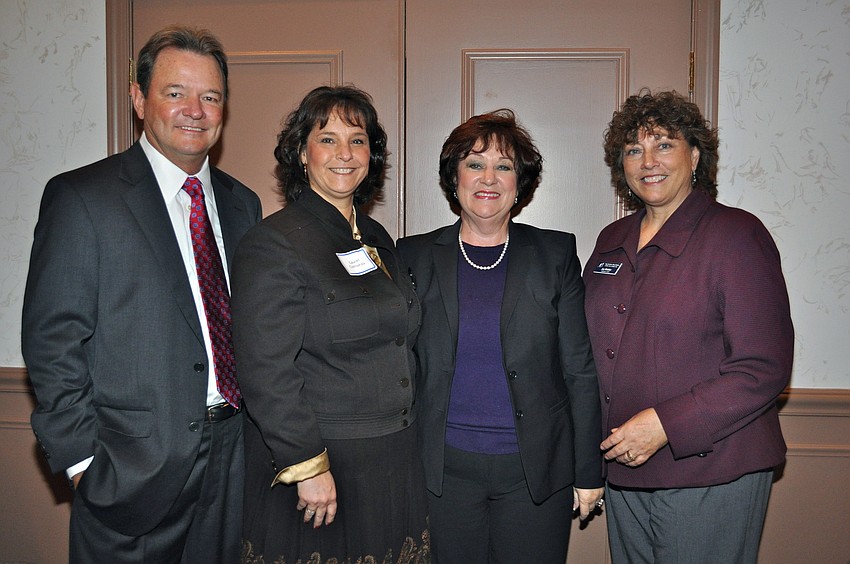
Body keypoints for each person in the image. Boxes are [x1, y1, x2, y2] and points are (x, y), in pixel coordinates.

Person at [22, 25, 261, 563]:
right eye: (175, 93)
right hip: (130, 472)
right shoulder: (83, 198)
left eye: (211, 97)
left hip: (234, 461)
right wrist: (84, 465)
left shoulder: (242, 205)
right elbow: (51, 340)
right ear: (138, 97)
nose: (194, 110)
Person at [583, 89, 794, 564]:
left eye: (664, 144)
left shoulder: (736, 235)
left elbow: (763, 367)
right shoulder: (611, 239)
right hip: (626, 470)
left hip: (713, 470)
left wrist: (665, 425)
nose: (647, 161)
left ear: (695, 154)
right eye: (633, 149)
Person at [231, 85, 429, 564]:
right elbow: (265, 369)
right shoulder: (273, 243)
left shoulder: (377, 238)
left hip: (393, 458)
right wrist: (307, 465)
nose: (345, 153)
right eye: (327, 139)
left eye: (357, 140)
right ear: (302, 153)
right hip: (324, 468)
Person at [396, 109, 604, 564]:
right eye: (474, 163)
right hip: (441, 471)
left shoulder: (554, 253)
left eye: (504, 166)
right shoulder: (412, 255)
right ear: (454, 177)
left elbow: (580, 370)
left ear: (520, 183)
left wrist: (589, 471)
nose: (488, 177)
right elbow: (397, 364)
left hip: (534, 473)